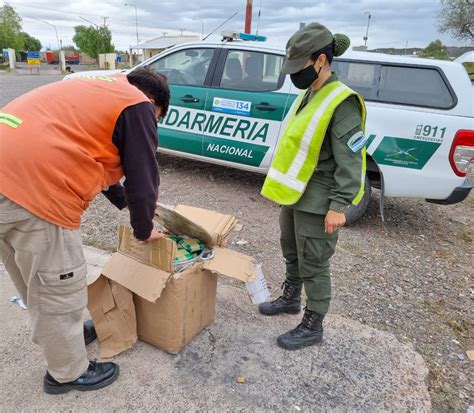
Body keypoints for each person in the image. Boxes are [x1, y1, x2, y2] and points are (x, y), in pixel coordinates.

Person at [0, 68, 170, 393]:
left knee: (32, 275)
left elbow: (97, 158)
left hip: (8, 174)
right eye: (157, 116)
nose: (153, 120)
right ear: (152, 103)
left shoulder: (100, 87)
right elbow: (143, 176)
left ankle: (63, 338)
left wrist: (126, 204)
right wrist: (144, 228)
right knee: (58, 285)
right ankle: (67, 372)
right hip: (33, 189)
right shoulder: (138, 104)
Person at [259, 23, 368, 350]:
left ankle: (313, 323)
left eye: (299, 67)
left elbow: (352, 160)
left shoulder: (341, 100)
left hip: (320, 197)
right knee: (291, 249)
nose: (294, 75)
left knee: (315, 261)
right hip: (296, 193)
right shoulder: (310, 93)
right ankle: (291, 298)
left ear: (321, 60)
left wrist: (338, 206)